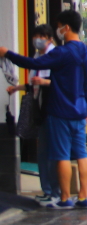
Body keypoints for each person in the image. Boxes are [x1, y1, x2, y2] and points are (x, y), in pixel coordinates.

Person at [0, 11, 87, 209]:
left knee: (61, 156)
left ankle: (65, 198)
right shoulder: (86, 52)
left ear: (66, 28)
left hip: (60, 111)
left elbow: (33, 63)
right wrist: (86, 108)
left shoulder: (61, 52)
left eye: (59, 26)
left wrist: (7, 53)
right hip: (79, 111)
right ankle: (84, 197)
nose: (58, 30)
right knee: (82, 155)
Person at [6, 25, 58, 205]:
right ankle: (47, 190)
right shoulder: (38, 55)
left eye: (41, 36)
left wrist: (7, 54)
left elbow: (59, 83)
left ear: (50, 39)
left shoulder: (54, 56)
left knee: (51, 152)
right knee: (42, 151)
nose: (38, 39)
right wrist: (18, 88)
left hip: (51, 108)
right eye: (35, 36)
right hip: (39, 108)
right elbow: (33, 82)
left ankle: (55, 191)